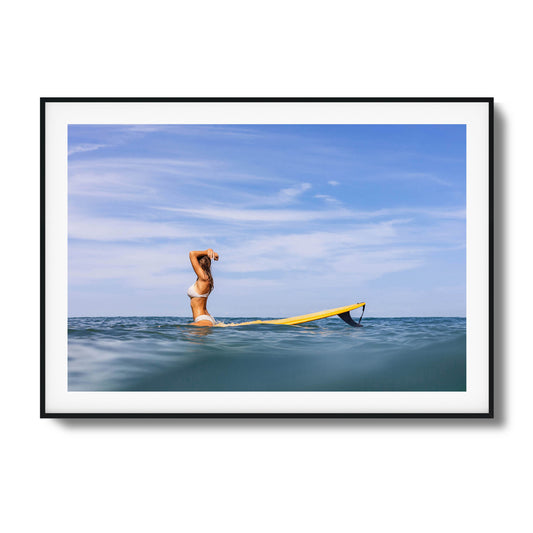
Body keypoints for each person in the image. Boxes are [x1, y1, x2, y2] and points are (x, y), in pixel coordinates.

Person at [187, 248, 219, 326]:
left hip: (203, 320)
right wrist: (211, 252)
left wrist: (207, 251)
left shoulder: (204, 278)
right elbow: (217, 256)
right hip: (205, 318)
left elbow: (192, 253)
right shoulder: (206, 278)